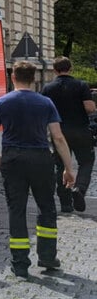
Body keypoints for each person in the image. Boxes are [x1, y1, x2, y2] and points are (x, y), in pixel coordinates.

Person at [0, 61, 75, 278]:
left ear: (12, 77)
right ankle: (47, 257)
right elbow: (58, 137)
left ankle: (20, 264)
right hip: (41, 159)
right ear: (34, 79)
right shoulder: (45, 103)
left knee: (17, 210)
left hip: (13, 159)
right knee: (46, 207)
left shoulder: (1, 103)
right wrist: (68, 167)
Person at [42, 56, 96, 212]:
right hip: (80, 130)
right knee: (86, 162)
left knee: (61, 166)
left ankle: (65, 204)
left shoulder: (48, 88)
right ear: (70, 68)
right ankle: (79, 188)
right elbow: (89, 108)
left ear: (54, 70)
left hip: (58, 131)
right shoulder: (81, 85)